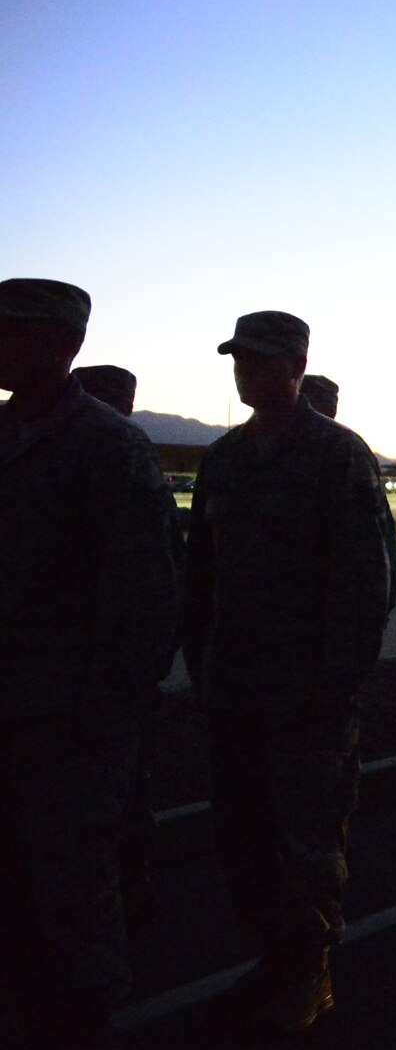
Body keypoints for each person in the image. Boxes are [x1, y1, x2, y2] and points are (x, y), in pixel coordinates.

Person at [184, 310, 395, 1033]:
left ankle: (311, 970)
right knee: (243, 835)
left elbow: (366, 582)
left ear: (295, 366)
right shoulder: (227, 459)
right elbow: (202, 577)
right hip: (236, 683)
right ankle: (274, 955)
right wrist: (202, 665)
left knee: (307, 839)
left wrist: (337, 684)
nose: (244, 370)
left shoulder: (336, 455)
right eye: (238, 358)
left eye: (258, 359)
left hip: (306, 691)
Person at [0, 280, 179, 1050]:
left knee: (74, 880)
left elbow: (142, 594)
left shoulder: (109, 447)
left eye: (13, 330)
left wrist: (106, 713)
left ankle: (89, 1034)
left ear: (60, 344)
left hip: (68, 713)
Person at [72, 364, 171, 933]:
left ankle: (128, 892)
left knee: (122, 788)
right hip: (80, 672)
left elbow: (153, 580)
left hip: (108, 674)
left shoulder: (123, 456)